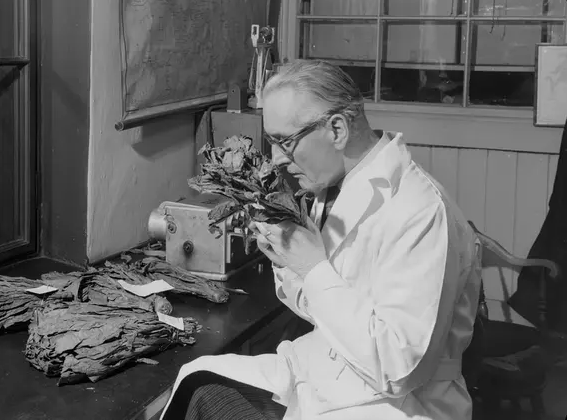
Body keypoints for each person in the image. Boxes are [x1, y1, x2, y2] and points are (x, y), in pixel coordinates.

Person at [160, 59, 482, 420]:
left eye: (284, 142)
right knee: (198, 384)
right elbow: (321, 306)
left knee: (207, 400)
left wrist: (312, 268)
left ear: (337, 129)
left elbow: (400, 369)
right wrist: (285, 256)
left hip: (397, 406)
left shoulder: (419, 210)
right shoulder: (334, 189)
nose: (276, 159)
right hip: (332, 379)